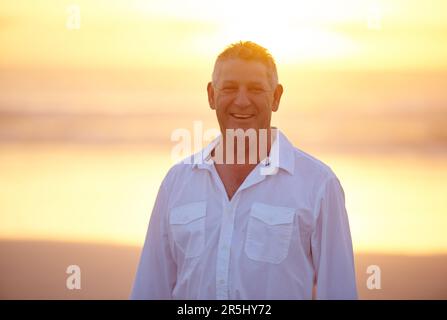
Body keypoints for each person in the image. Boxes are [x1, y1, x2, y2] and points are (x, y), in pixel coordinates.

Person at [131, 41, 357, 299]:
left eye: (255, 89)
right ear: (211, 96)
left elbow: (340, 291)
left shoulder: (318, 186)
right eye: (229, 88)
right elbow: (150, 288)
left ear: (276, 97)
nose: (241, 101)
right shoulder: (177, 183)